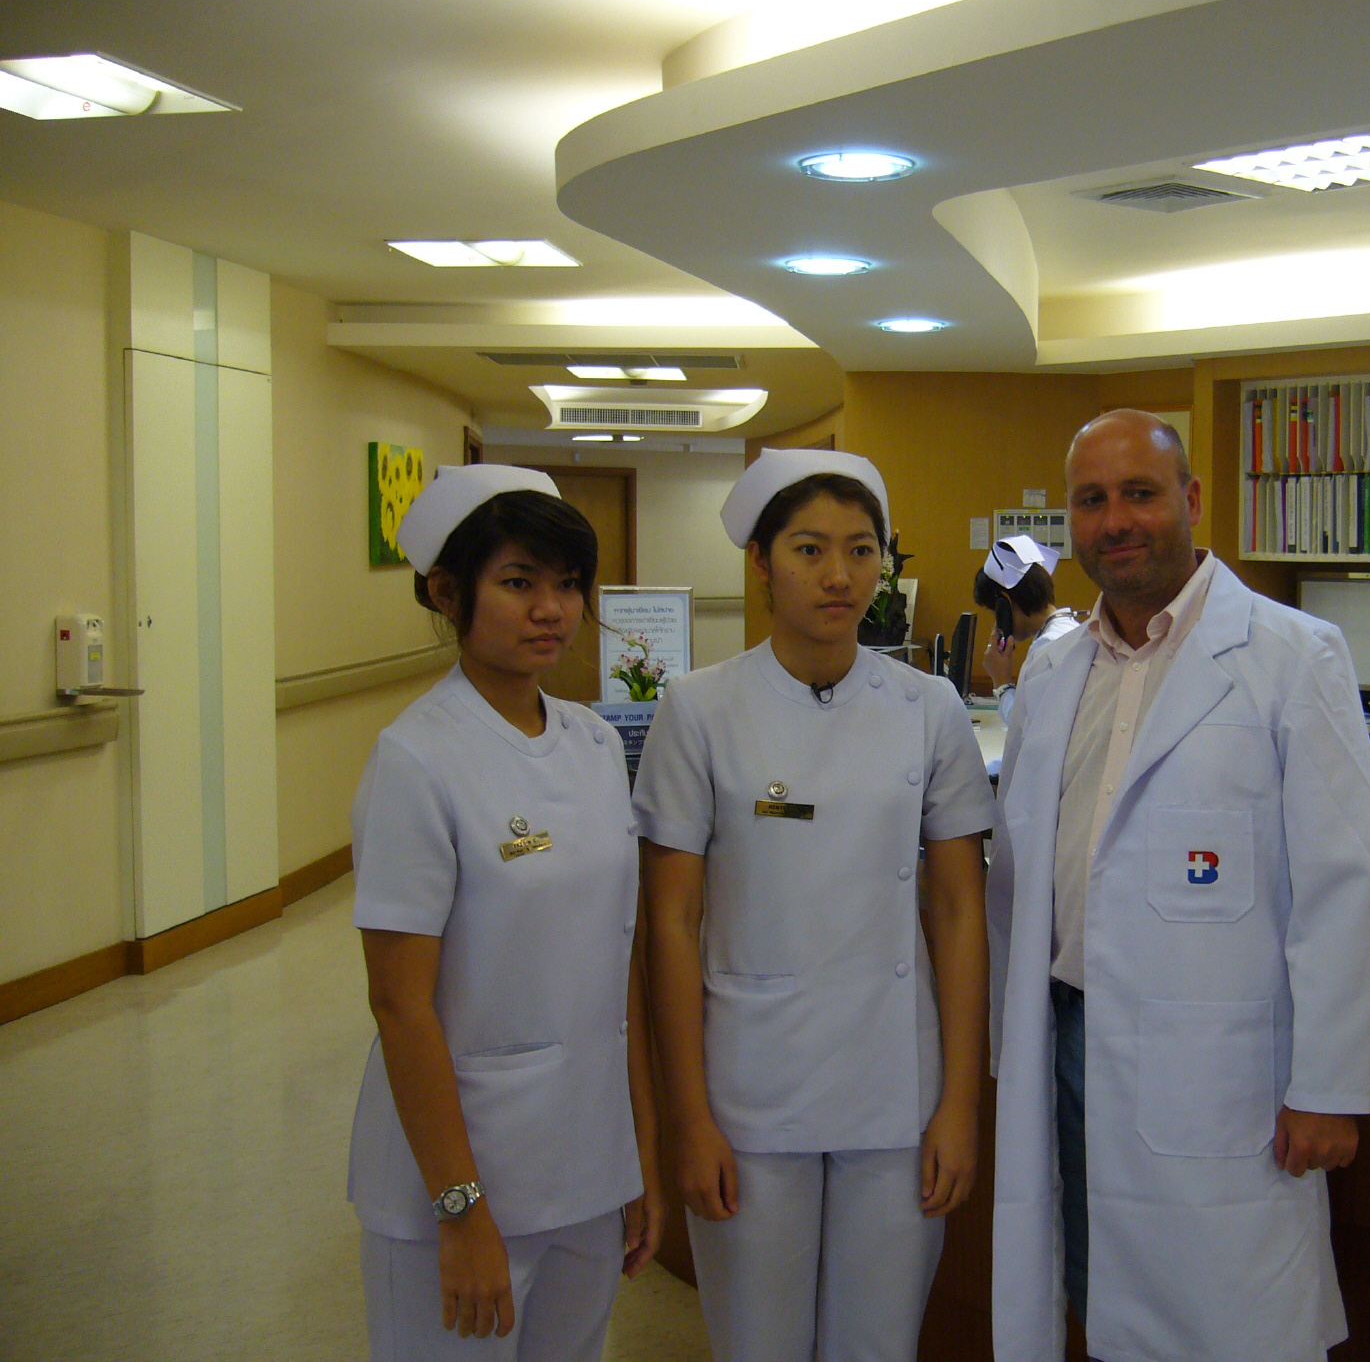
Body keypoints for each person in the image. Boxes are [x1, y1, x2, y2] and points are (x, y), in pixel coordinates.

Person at [986, 411, 1370, 1362]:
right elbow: (1021, 865)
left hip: (1222, 1065)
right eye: (1092, 500)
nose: (1116, 520)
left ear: (1192, 500)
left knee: (1228, 1310)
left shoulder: (1295, 653)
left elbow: (1343, 882)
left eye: (1140, 493)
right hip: (1066, 1038)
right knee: (1094, 1288)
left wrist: (1330, 1085)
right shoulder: (1054, 668)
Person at [633, 448, 995, 1362]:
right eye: (809, 549)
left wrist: (959, 1103)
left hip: (895, 1087)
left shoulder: (930, 708)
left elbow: (960, 912)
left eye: (861, 550)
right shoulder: (698, 709)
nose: (839, 575)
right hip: (750, 1088)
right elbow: (669, 924)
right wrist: (689, 1118)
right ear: (760, 562)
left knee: (881, 1345)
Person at [347, 464, 662, 1361]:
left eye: (568, 584)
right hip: (460, 1179)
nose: (550, 610)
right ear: (449, 594)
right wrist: (460, 1213)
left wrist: (635, 1157)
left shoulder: (593, 742)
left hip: (585, 1165)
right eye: (519, 583)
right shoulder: (416, 760)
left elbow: (617, 968)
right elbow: (400, 1005)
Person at [976, 533, 1081, 722]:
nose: (996, 622)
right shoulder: (1068, 630)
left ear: (1004, 604)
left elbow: (1027, 728)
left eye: (994, 611)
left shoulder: (1047, 650)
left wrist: (1002, 684)